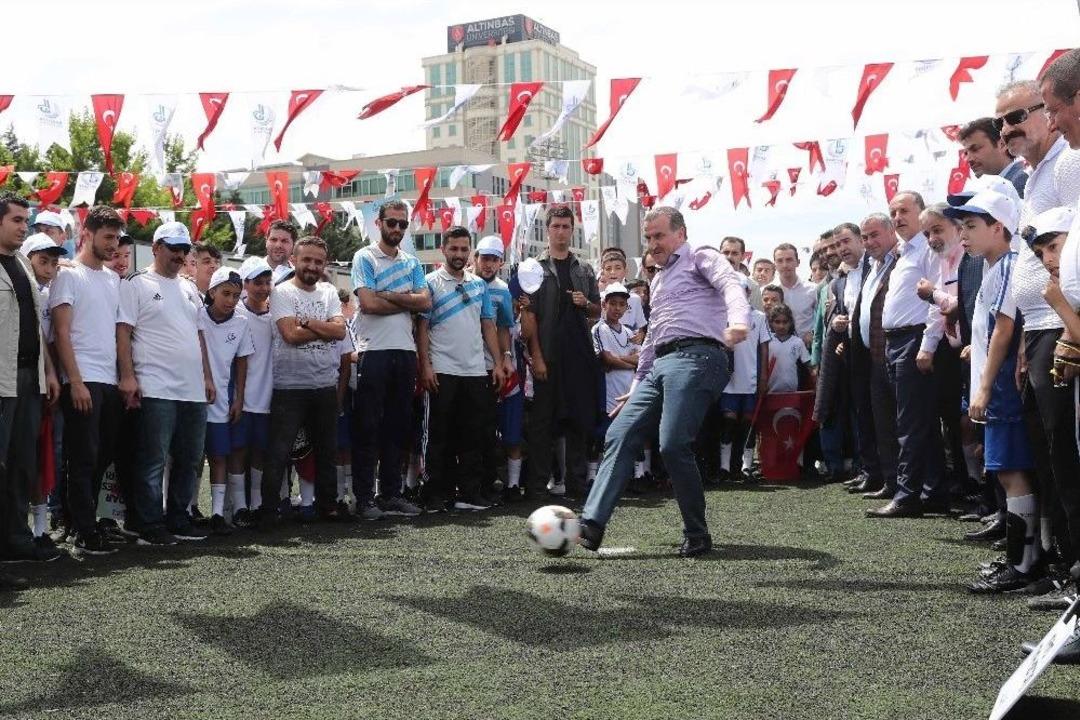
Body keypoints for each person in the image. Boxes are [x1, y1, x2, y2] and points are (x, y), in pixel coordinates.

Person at [579, 206, 749, 557]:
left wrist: (739, 321)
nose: (653, 243)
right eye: (649, 237)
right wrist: (637, 385)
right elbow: (654, 338)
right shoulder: (657, 280)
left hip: (700, 356)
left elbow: (729, 283)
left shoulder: (701, 257)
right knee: (619, 432)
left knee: (672, 443)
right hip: (661, 365)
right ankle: (591, 525)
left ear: (680, 234)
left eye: (659, 235)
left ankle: (697, 533)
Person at [943, 191, 1039, 593]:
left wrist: (983, 387)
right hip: (993, 380)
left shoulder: (1008, 266)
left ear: (999, 227)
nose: (963, 235)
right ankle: (1026, 559)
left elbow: (1004, 328)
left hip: (1000, 386)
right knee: (1008, 471)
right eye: (962, 226)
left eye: (972, 226)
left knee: (1012, 472)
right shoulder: (994, 267)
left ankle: (1024, 565)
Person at [117, 221, 213, 546]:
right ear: (156, 247)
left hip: (192, 389)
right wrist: (128, 376)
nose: (179, 254)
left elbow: (199, 336)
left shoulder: (189, 288)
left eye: (184, 249)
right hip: (155, 385)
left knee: (190, 458)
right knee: (153, 458)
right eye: (173, 248)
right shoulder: (136, 283)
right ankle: (148, 523)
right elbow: (123, 333)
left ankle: (178, 517)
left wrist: (208, 377)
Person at [50, 206, 125, 555]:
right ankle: (83, 528)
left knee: (102, 455)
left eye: (117, 238)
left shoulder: (114, 279)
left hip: (109, 381)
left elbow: (116, 333)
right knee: (82, 457)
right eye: (107, 237)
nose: (113, 245)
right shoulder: (68, 275)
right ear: (87, 234)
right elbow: (61, 334)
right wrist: (75, 381)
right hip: (81, 379)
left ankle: (81, 519)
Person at [867, 191, 947, 518]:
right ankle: (933, 492)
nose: (898, 217)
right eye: (893, 211)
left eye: (904, 210)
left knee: (910, 423)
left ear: (920, 212)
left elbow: (935, 299)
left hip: (915, 340)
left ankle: (907, 495)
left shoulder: (927, 248)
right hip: (895, 341)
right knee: (918, 422)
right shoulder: (903, 252)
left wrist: (927, 345)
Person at [350, 199, 429, 519]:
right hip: (373, 351)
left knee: (398, 427)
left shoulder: (412, 262)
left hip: (405, 353)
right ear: (378, 224)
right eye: (391, 223)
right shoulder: (364, 257)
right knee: (368, 427)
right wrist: (406, 300)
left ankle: (392, 494)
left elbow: (425, 302)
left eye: (402, 224)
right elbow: (367, 303)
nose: (397, 228)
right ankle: (365, 498)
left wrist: (389, 295)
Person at [417, 227, 505, 512]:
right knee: (439, 435)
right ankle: (433, 494)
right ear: (443, 249)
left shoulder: (479, 284)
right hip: (442, 368)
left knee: (474, 435)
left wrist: (498, 363)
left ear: (470, 251)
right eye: (453, 249)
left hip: (476, 371)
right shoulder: (429, 282)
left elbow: (488, 326)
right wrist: (426, 365)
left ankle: (469, 493)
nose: (458, 254)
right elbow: (422, 327)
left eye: (463, 249)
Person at [261, 237, 346, 525]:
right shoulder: (281, 292)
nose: (312, 266)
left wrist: (307, 322)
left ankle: (328, 507)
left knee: (327, 451)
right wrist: (324, 328)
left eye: (318, 261)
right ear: (294, 260)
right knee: (279, 452)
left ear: (325, 264)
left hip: (324, 384)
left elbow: (340, 333)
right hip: (289, 386)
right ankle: (270, 511)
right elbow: (290, 335)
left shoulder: (329, 291)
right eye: (306, 259)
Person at [519, 205, 601, 502]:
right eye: (556, 226)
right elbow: (529, 318)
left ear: (572, 229)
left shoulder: (584, 269)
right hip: (548, 355)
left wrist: (585, 303)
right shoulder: (534, 268)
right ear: (548, 229)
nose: (561, 231)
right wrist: (537, 357)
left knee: (578, 423)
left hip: (579, 356)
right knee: (542, 425)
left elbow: (597, 310)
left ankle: (577, 486)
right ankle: (538, 488)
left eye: (566, 226)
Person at [0, 192, 62, 575]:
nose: (25, 227)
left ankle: (16, 539)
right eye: (17, 220)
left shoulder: (22, 264)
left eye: (26, 220)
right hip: (1, 380)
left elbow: (36, 328)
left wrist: (49, 372)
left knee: (23, 462)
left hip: (28, 377)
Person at [846, 213, 899, 499]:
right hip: (870, 356)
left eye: (874, 235)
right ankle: (889, 481)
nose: (869, 242)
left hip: (894, 353)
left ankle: (903, 484)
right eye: (865, 237)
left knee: (898, 423)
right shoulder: (873, 265)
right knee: (882, 423)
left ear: (891, 232)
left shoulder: (901, 260)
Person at [199, 267, 254, 535]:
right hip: (193, 397)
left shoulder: (241, 322)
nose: (231, 300)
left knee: (220, 455)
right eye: (225, 293)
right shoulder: (197, 316)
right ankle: (185, 509)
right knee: (191, 458)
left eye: (235, 295)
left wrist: (239, 397)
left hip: (222, 398)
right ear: (212, 292)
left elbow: (242, 361)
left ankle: (218, 513)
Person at [21, 234, 66, 550]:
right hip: (23, 382)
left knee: (44, 455)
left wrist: (52, 373)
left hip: (48, 385)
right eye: (42, 260)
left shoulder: (52, 295)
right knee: (22, 457)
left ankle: (39, 528)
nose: (49, 268)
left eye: (53, 261)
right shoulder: (20, 292)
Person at [473, 235, 519, 502]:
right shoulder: (464, 283)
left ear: (500, 263)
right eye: (484, 258)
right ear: (475, 258)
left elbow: (503, 327)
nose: (488, 264)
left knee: (488, 429)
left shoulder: (502, 290)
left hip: (489, 367)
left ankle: (487, 485)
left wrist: (505, 359)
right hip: (462, 365)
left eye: (493, 259)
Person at [230, 257, 274, 524]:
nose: (263, 287)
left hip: (268, 396)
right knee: (238, 450)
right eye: (257, 282)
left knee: (260, 451)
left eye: (267, 282)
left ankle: (257, 504)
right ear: (245, 284)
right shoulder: (236, 313)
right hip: (241, 397)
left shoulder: (276, 314)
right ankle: (238, 506)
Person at [718, 276, 769, 482]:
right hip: (728, 380)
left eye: (742, 290)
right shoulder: (721, 315)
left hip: (750, 378)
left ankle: (746, 466)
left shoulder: (758, 317)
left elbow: (764, 346)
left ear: (748, 292)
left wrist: (764, 376)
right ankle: (724, 467)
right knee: (728, 421)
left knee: (748, 423)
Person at [590, 283, 642, 485]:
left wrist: (619, 361)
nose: (617, 308)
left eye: (622, 304)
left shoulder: (630, 332)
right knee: (602, 435)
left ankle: (637, 476)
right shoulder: (599, 329)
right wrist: (627, 361)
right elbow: (606, 359)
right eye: (613, 304)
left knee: (631, 433)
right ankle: (594, 476)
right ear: (604, 304)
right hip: (608, 390)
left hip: (628, 389)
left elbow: (640, 359)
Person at [957, 117, 1028, 195]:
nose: (968, 159)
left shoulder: (1021, 181)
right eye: (966, 153)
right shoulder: (1001, 186)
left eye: (975, 149)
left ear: (1002, 144)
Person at [772, 243, 817, 347]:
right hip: (777, 350)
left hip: (807, 348)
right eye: (780, 260)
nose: (785, 265)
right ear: (775, 264)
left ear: (798, 262)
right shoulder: (767, 292)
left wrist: (813, 333)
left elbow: (823, 317)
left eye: (789, 260)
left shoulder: (812, 289)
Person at [599, 247, 648, 336]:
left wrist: (639, 337)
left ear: (626, 271)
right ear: (603, 272)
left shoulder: (635, 298)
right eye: (608, 269)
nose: (613, 272)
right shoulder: (599, 298)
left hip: (630, 348)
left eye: (618, 268)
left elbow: (641, 329)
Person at [720, 236, 764, 311]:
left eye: (735, 253)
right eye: (726, 252)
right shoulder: (707, 282)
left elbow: (757, 319)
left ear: (742, 257)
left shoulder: (752, 286)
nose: (729, 257)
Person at [265, 220, 297, 285]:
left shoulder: (298, 277)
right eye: (273, 239)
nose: (278, 245)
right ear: (266, 241)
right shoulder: (248, 272)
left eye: (284, 241)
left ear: (293, 245)